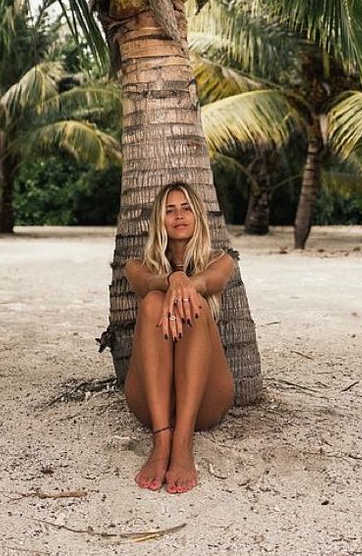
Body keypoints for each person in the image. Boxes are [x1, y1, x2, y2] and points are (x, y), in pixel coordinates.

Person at [123, 181, 237, 493]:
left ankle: (183, 443)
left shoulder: (222, 260)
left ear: (198, 216)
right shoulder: (136, 266)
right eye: (170, 210)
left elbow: (212, 280)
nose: (179, 216)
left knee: (194, 302)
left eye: (186, 208)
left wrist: (184, 285)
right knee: (153, 301)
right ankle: (162, 442)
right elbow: (145, 282)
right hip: (149, 403)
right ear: (159, 219)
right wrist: (171, 279)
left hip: (205, 402)